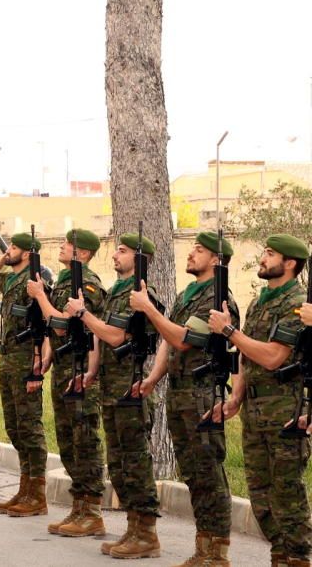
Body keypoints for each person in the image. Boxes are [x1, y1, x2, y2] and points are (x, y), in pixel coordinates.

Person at [128, 232, 239, 565]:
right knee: (192, 473)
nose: (191, 253)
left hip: (202, 396)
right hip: (180, 394)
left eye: (200, 250)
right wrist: (151, 379)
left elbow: (183, 339)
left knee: (208, 474)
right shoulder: (188, 294)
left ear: (217, 261)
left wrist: (149, 308)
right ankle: (203, 549)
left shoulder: (218, 299)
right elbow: (167, 341)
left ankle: (216, 552)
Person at [209, 234, 311, 567]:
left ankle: (297, 559)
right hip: (254, 412)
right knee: (261, 498)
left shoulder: (297, 304)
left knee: (287, 497)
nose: (262, 258)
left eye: (270, 254)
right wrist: (236, 397)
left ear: (290, 263)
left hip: (284, 413)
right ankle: (279, 558)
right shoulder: (261, 301)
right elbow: (246, 356)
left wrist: (229, 331)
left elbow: (273, 358)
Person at [67, 232, 162, 559]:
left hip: (129, 389)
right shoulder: (117, 292)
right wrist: (92, 370)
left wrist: (82, 313)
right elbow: (99, 338)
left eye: (122, 251)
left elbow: (116, 337)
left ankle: (147, 533)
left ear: (139, 258)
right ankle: (134, 529)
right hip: (110, 387)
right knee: (119, 463)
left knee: (135, 462)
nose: (114, 255)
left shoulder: (138, 294)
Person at [25, 229, 107, 537]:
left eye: (69, 244)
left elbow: (60, 325)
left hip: (81, 373)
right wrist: (46, 358)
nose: (61, 246)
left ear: (83, 254)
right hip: (63, 369)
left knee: (84, 441)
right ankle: (79, 507)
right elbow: (52, 331)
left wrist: (41, 296)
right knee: (68, 442)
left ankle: (93, 511)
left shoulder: (88, 284)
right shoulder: (64, 280)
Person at [0, 231, 48, 517]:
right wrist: (2, 258)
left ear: (29, 254)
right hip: (8, 358)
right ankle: (25, 487)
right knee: (14, 426)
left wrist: (38, 366)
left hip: (26, 360)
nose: (10, 250)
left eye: (16, 247)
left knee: (30, 427)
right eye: (10, 246)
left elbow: (42, 325)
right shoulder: (11, 280)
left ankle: (38, 494)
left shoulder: (35, 283)